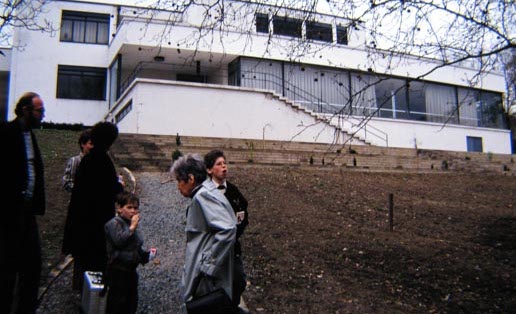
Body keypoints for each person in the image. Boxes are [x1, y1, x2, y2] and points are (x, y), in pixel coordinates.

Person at [170, 154, 237, 312]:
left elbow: (228, 229)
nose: (178, 187)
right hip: (206, 273)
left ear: (191, 179)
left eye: (179, 181)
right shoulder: (208, 192)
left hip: (205, 277)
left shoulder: (203, 196)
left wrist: (208, 265)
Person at [0, 92, 46, 313]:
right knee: (7, 267)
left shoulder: (31, 135)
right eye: (40, 111)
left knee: (33, 265)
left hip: (27, 213)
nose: (43, 115)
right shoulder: (7, 133)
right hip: (9, 213)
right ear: (26, 110)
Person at [68, 122, 124, 291]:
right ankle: (90, 293)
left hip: (83, 217)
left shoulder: (88, 160)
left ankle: (81, 288)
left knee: (83, 255)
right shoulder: (102, 160)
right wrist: (119, 186)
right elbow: (109, 189)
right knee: (94, 257)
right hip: (97, 219)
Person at [204, 150, 249, 311]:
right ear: (209, 170)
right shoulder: (205, 193)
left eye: (225, 163)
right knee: (214, 285)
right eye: (219, 164)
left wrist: (235, 232)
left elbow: (243, 215)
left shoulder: (234, 191)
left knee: (239, 280)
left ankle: (233, 306)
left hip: (232, 248)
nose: (224, 167)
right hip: (212, 249)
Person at [104, 192, 156, 314]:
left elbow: (135, 245)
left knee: (131, 303)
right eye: (129, 207)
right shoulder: (114, 223)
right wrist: (132, 227)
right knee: (117, 304)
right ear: (120, 208)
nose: (133, 211)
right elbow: (120, 241)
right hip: (117, 271)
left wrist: (145, 255)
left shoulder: (131, 224)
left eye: (135, 208)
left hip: (130, 271)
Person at [61, 129, 92, 259]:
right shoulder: (75, 161)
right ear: (83, 144)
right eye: (90, 143)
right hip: (78, 206)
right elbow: (67, 182)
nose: (92, 146)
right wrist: (82, 192)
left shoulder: (96, 162)